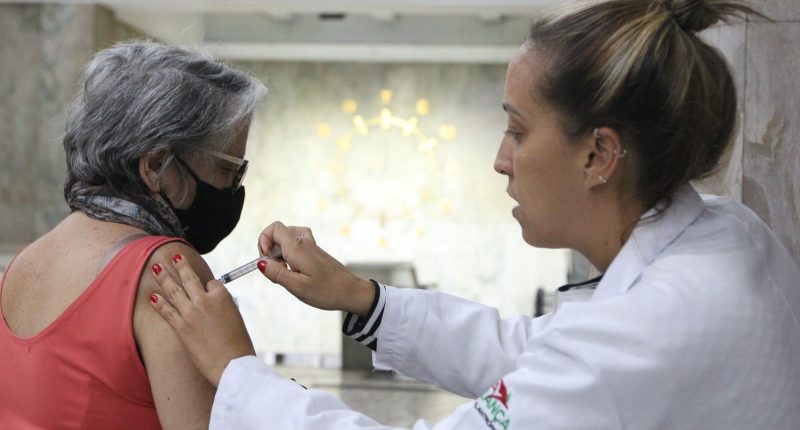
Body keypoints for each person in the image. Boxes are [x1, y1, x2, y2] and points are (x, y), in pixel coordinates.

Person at [151, 0, 800, 428]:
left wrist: (235, 370)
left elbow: (577, 366)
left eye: (518, 131)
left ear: (598, 155)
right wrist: (360, 298)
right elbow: (530, 352)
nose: (500, 160)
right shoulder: (725, 234)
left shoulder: (644, 333)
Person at [0, 41, 266, 428]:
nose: (233, 188)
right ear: (156, 165)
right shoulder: (167, 269)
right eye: (229, 170)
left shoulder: (24, 263)